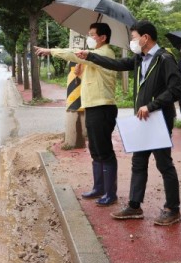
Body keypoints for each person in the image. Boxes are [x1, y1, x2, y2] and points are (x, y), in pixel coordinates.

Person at [76, 20, 181, 226]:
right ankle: (134, 206)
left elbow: (176, 89)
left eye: (134, 37)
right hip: (142, 120)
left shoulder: (165, 59)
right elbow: (116, 64)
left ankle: (173, 209)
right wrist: (90, 56)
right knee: (138, 162)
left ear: (145, 38)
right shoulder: (139, 59)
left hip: (159, 119)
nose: (132, 41)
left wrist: (152, 105)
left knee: (164, 164)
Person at [35, 22, 119, 206]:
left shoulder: (103, 54)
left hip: (103, 107)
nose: (89, 38)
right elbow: (90, 79)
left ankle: (110, 193)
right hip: (92, 106)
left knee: (105, 152)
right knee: (95, 150)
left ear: (103, 37)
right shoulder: (93, 57)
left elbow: (72, 53)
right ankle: (99, 188)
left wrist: (50, 51)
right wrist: (81, 70)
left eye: (92, 35)